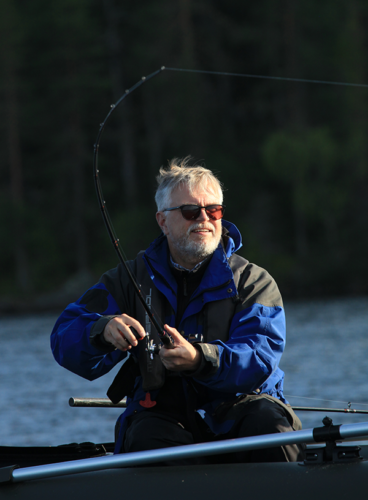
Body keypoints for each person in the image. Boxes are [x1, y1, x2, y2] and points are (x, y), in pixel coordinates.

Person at [51, 158, 304, 463]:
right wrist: (101, 330)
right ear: (162, 221)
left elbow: (260, 357)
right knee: (146, 437)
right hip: (162, 414)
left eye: (214, 210)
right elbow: (64, 336)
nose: (204, 219)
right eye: (190, 211)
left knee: (271, 427)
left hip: (242, 409)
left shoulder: (253, 281)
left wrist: (200, 359)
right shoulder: (127, 280)